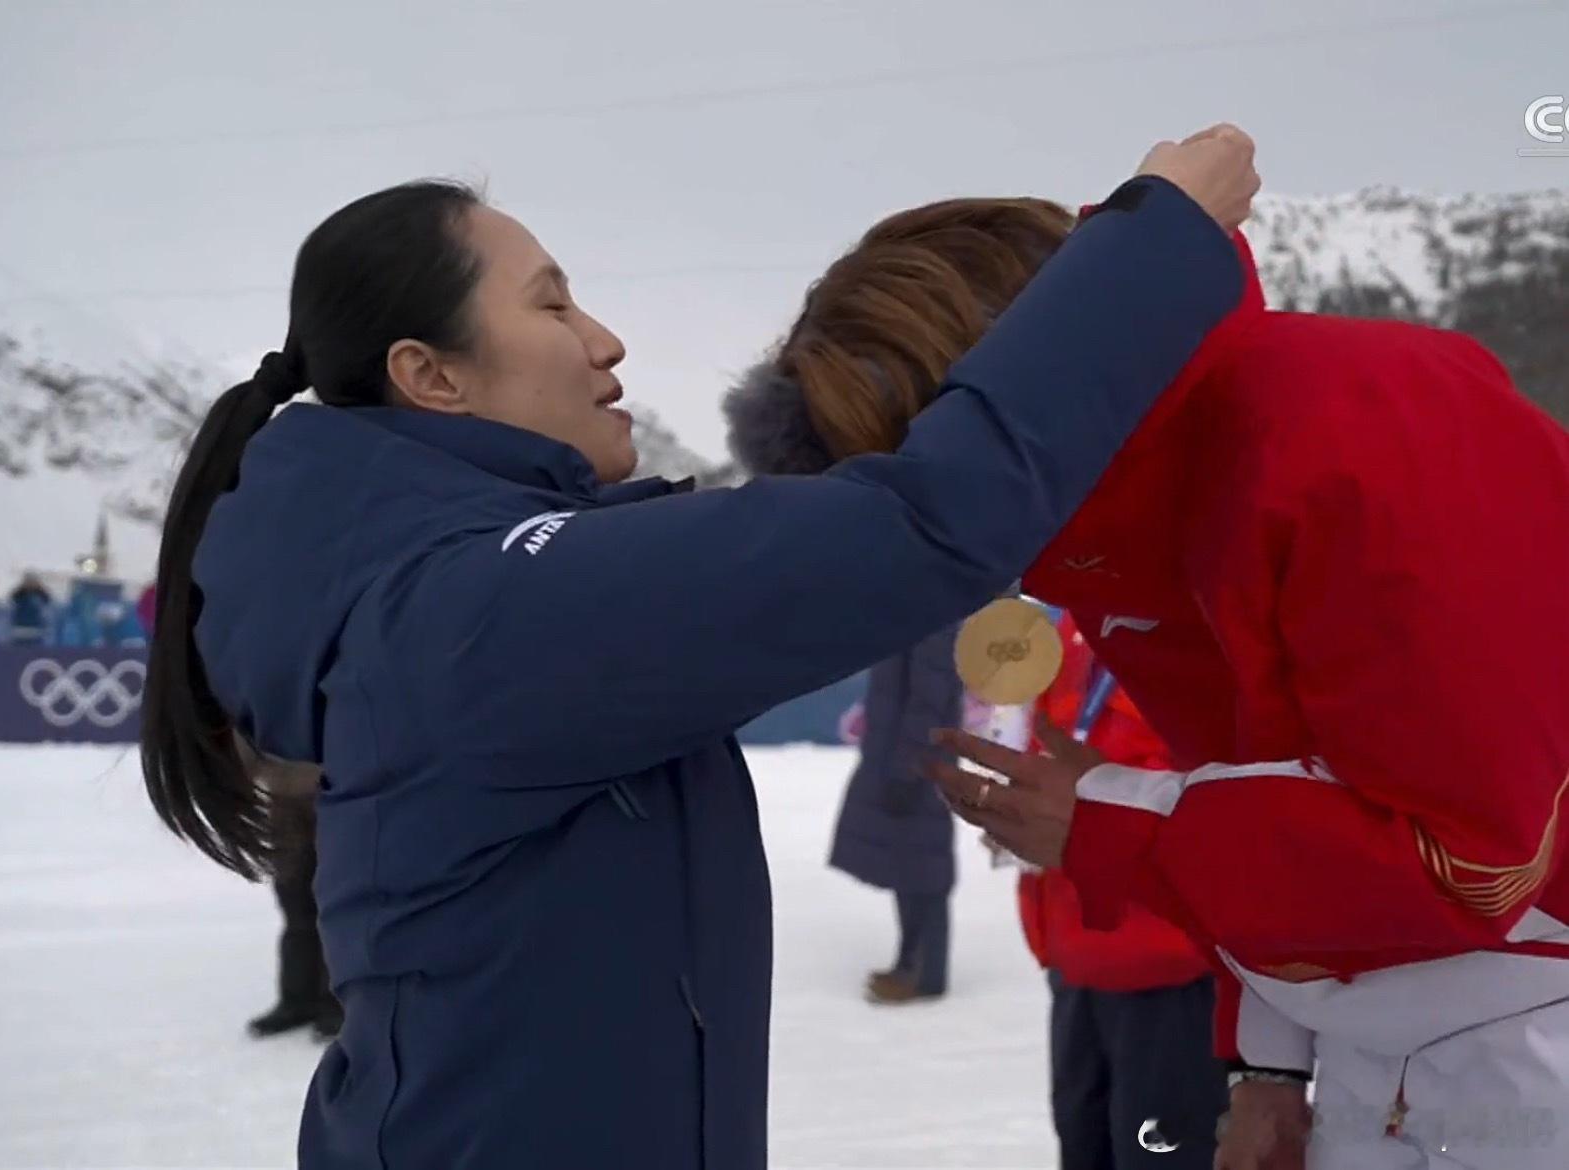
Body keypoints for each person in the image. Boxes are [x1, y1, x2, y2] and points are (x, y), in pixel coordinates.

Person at [137, 130, 1257, 1170]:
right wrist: (1150, 245)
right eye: (551, 304)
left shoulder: (448, 593)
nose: (604, 340)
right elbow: (917, 527)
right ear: (434, 376)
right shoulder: (477, 612)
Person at [739, 191, 1569, 1170]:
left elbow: (1468, 859)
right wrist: (1266, 1066)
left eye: (940, 490)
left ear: (1002, 409)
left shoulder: (1356, 431)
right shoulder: (1126, 517)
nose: (958, 542)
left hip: (1525, 1046)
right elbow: (1265, 780)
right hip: (1394, 1047)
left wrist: (1113, 826)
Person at [1022, 613, 1224, 1169]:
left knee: (1161, 1153)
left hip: (1170, 962)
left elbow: (1222, 793)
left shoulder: (1203, 628)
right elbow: (1049, 737)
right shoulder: (1071, 627)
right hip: (1074, 943)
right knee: (1084, 1140)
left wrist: (1085, 810)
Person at [829, 624, 961, 1005]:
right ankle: (910, 962)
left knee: (924, 865)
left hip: (917, 764)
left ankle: (925, 973)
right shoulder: (917, 614)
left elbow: (929, 699)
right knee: (908, 860)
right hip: (903, 758)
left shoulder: (932, 620)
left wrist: (907, 768)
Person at [241, 751, 343, 1042]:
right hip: (284, 804)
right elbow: (246, 743)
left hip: (338, 799)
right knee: (296, 908)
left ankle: (337, 1002)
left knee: (336, 909)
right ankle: (298, 1000)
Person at [7, 574, 53, 645]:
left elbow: (47, 607)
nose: (30, 584)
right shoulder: (19, 595)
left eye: (32, 581)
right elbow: (11, 605)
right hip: (20, 629)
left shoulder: (41, 596)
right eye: (28, 581)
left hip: (36, 630)